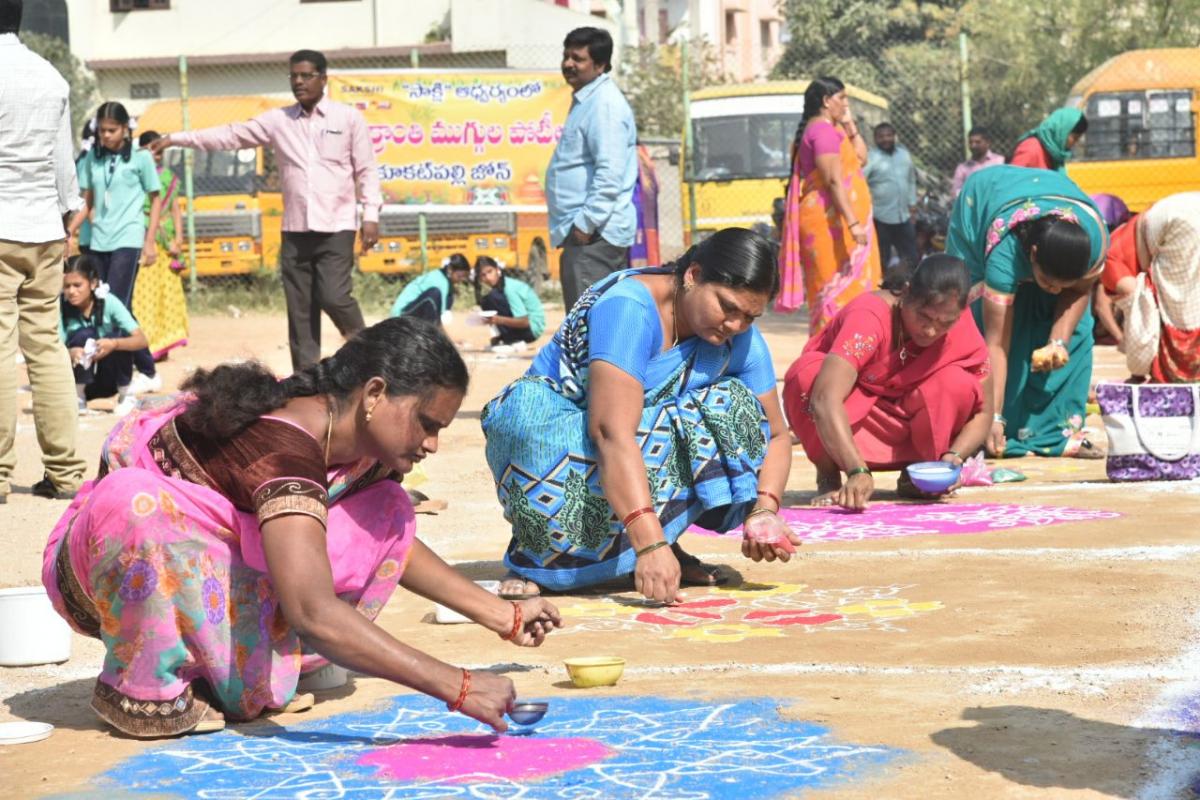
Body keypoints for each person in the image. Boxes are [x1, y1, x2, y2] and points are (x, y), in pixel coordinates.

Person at [42, 316, 563, 738]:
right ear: (375, 394)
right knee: (141, 508)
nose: (432, 444)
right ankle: (151, 690)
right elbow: (313, 610)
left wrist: (501, 614)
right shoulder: (284, 449)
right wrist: (458, 685)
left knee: (387, 504)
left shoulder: (354, 442)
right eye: (426, 424)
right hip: (107, 563)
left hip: (219, 556)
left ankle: (245, 661)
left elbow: (391, 539)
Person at [482, 228, 800, 602]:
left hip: (623, 446)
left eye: (749, 316)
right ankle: (550, 562)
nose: (735, 325)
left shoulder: (738, 338)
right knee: (537, 422)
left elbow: (776, 435)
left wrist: (764, 509)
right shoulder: (629, 308)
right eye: (727, 307)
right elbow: (610, 432)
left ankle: (662, 545)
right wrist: (648, 545)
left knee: (732, 405)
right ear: (693, 275)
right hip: (562, 435)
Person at [150, 49, 381, 372]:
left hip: (337, 225)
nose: (298, 82)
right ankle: (305, 378)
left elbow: (366, 170)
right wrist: (176, 138)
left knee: (334, 296)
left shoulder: (348, 119)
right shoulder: (278, 120)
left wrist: (371, 215)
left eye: (305, 76)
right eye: (293, 76)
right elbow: (229, 135)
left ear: (323, 79)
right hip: (295, 229)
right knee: (300, 309)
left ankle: (371, 357)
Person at [783, 254, 993, 510]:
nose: (930, 331)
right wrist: (856, 469)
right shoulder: (869, 317)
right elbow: (825, 398)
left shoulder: (961, 326)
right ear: (905, 294)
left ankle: (918, 475)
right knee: (807, 375)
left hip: (912, 422)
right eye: (924, 317)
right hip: (853, 422)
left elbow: (984, 412)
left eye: (944, 323)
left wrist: (953, 458)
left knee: (957, 383)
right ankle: (829, 476)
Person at [946, 166, 1109, 458]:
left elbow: (1078, 291)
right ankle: (986, 426)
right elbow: (996, 344)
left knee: (1079, 330)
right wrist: (993, 416)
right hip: (985, 205)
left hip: (1050, 222)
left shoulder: (1094, 240)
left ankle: (1058, 433)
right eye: (1048, 282)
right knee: (1003, 328)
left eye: (1063, 285)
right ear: (1032, 254)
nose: (1055, 291)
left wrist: (1058, 341)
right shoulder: (1004, 254)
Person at [0, 0, 89, 503]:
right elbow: (62, 160)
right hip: (43, 229)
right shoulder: (49, 76)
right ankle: (65, 473)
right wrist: (69, 209)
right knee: (47, 348)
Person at [67, 101, 163, 395]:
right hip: (98, 240)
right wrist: (69, 229)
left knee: (114, 305)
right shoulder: (92, 159)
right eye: (103, 130)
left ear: (126, 129)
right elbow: (88, 201)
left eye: (112, 130)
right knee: (104, 305)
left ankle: (122, 383)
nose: (106, 135)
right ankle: (137, 372)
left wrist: (149, 240)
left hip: (128, 239)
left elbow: (156, 198)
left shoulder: (140, 158)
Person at [777, 77, 882, 335]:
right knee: (833, 294)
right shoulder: (822, 131)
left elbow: (861, 157)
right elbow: (833, 180)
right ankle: (831, 355)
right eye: (842, 98)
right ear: (826, 101)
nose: (846, 104)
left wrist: (848, 123)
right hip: (829, 224)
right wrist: (854, 223)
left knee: (846, 292)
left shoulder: (831, 129)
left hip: (837, 221)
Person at [546, 27, 638, 311]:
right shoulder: (587, 101)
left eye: (578, 58)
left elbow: (609, 173)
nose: (568, 64)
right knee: (588, 324)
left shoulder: (604, 105)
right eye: (566, 56)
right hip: (587, 235)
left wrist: (585, 225)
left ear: (599, 65)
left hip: (594, 236)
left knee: (588, 326)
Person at [1100, 192, 1200, 382]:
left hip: (1180, 223)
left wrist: (1136, 372)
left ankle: (1177, 378)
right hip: (1188, 207)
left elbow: (1142, 319)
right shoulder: (1119, 239)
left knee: (1181, 311)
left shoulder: (1108, 264)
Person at [60, 256, 147, 416]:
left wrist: (114, 344)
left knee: (120, 337)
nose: (71, 291)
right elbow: (54, 346)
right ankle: (78, 397)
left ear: (93, 284)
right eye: (67, 286)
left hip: (109, 377)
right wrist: (70, 352)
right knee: (83, 335)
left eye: (77, 285)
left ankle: (125, 394)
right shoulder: (61, 306)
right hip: (76, 377)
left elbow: (141, 340)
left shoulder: (109, 302)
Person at [131, 130, 188, 361]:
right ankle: (146, 343)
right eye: (152, 150)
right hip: (144, 239)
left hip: (165, 243)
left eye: (160, 151)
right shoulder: (135, 174)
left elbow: (175, 208)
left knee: (166, 294)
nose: (156, 155)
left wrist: (179, 238)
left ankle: (163, 343)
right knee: (144, 295)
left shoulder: (168, 177)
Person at [863, 122, 919, 273]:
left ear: (894, 136)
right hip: (880, 217)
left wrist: (913, 204)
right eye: (881, 136)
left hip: (903, 216)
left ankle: (912, 290)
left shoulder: (904, 154)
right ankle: (880, 291)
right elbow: (860, 181)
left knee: (911, 258)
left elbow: (911, 179)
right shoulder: (870, 158)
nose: (885, 139)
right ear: (875, 139)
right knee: (881, 259)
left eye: (889, 135)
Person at [475, 256, 546, 352]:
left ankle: (514, 340)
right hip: (525, 326)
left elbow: (524, 321)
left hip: (532, 329)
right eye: (483, 275)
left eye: (490, 271)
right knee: (486, 301)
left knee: (492, 298)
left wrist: (498, 320)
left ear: (497, 270)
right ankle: (506, 338)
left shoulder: (509, 288)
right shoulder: (500, 288)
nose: (488, 277)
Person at [389, 254, 472, 324]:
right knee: (434, 294)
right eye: (460, 276)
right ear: (450, 270)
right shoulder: (440, 282)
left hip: (412, 313)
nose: (461, 279)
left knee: (449, 296)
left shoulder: (444, 280)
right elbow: (440, 317)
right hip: (401, 316)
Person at [1009, 108, 1088, 173]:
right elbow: (1011, 181)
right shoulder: (1031, 149)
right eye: (1074, 138)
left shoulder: (1055, 154)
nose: (1075, 143)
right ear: (1061, 132)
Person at [951, 126, 1004, 199]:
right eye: (970, 142)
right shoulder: (962, 168)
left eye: (977, 142)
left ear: (988, 143)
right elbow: (956, 192)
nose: (973, 146)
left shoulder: (999, 161)